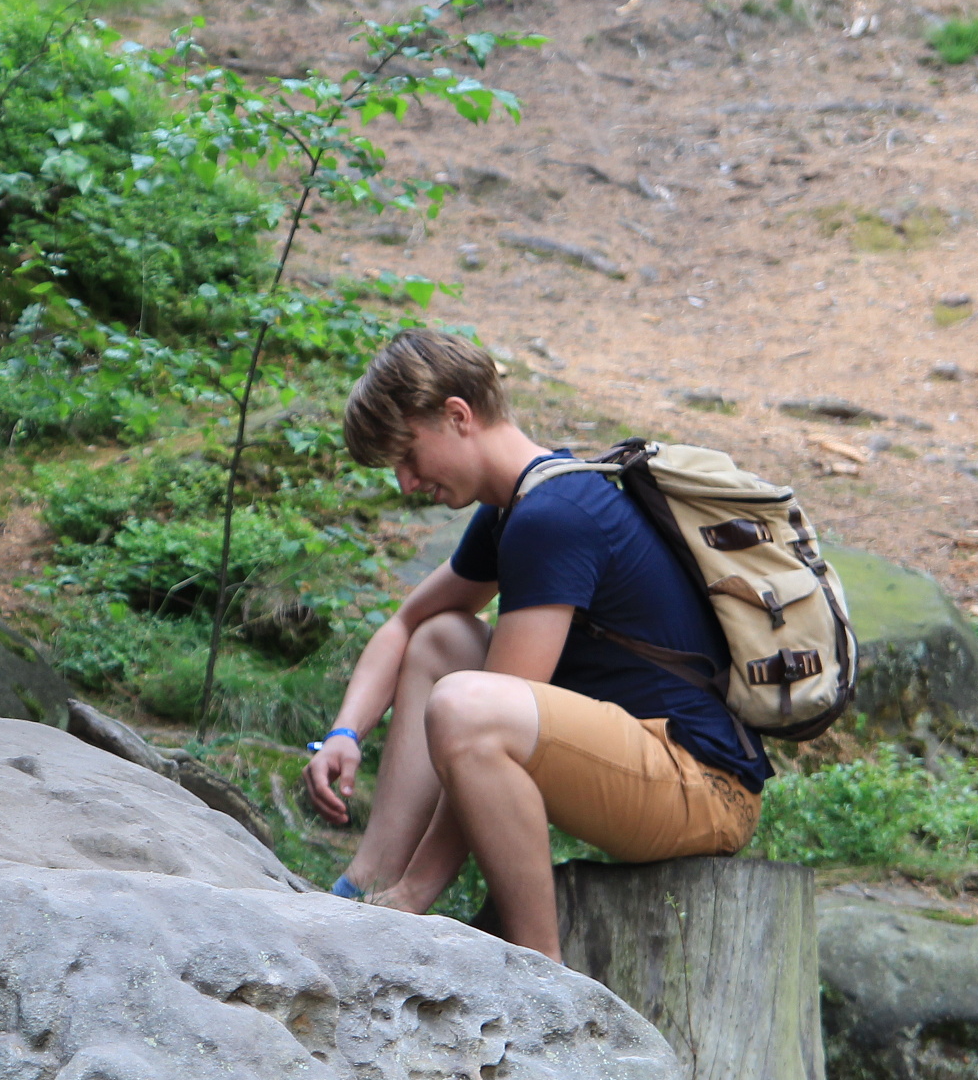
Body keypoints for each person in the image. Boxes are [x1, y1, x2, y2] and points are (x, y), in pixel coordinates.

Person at [301, 328, 768, 959]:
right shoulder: (517, 507)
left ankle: (542, 971)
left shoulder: (554, 517)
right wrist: (344, 733)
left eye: (409, 456)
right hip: (640, 758)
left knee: (467, 707)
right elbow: (407, 625)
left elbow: (478, 725)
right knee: (442, 639)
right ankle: (364, 884)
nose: (406, 484)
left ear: (457, 416)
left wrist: (417, 894)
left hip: (702, 786)